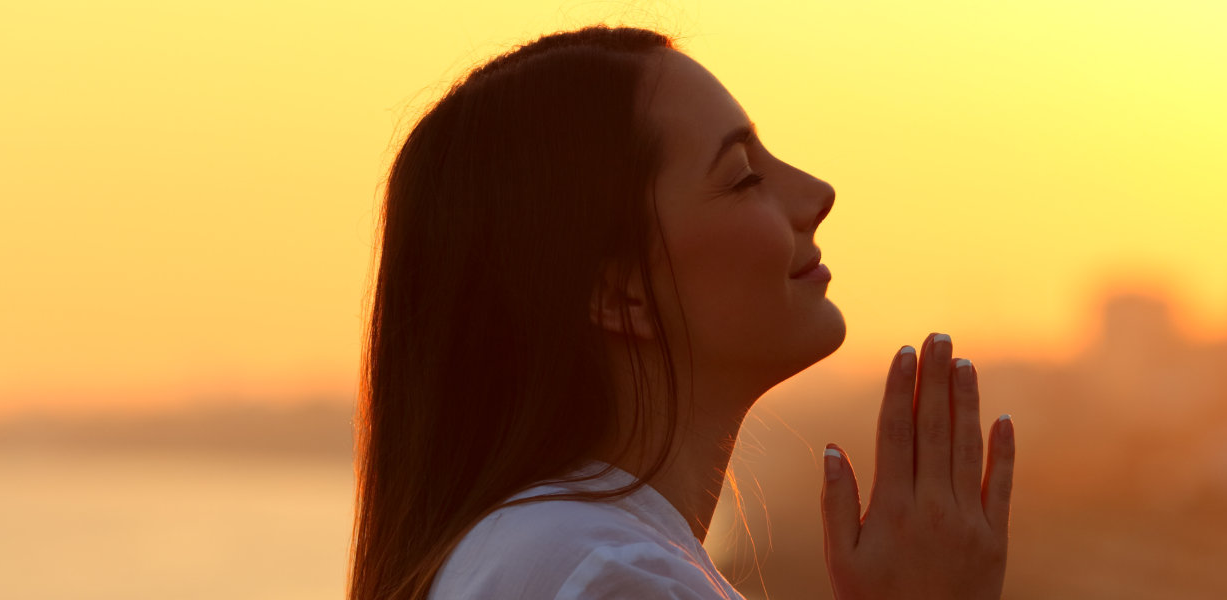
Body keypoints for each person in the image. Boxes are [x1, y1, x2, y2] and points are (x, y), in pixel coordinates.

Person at [349, 24, 1017, 600]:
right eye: (743, 175)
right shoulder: (614, 575)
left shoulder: (540, 552)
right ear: (620, 295)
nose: (818, 193)